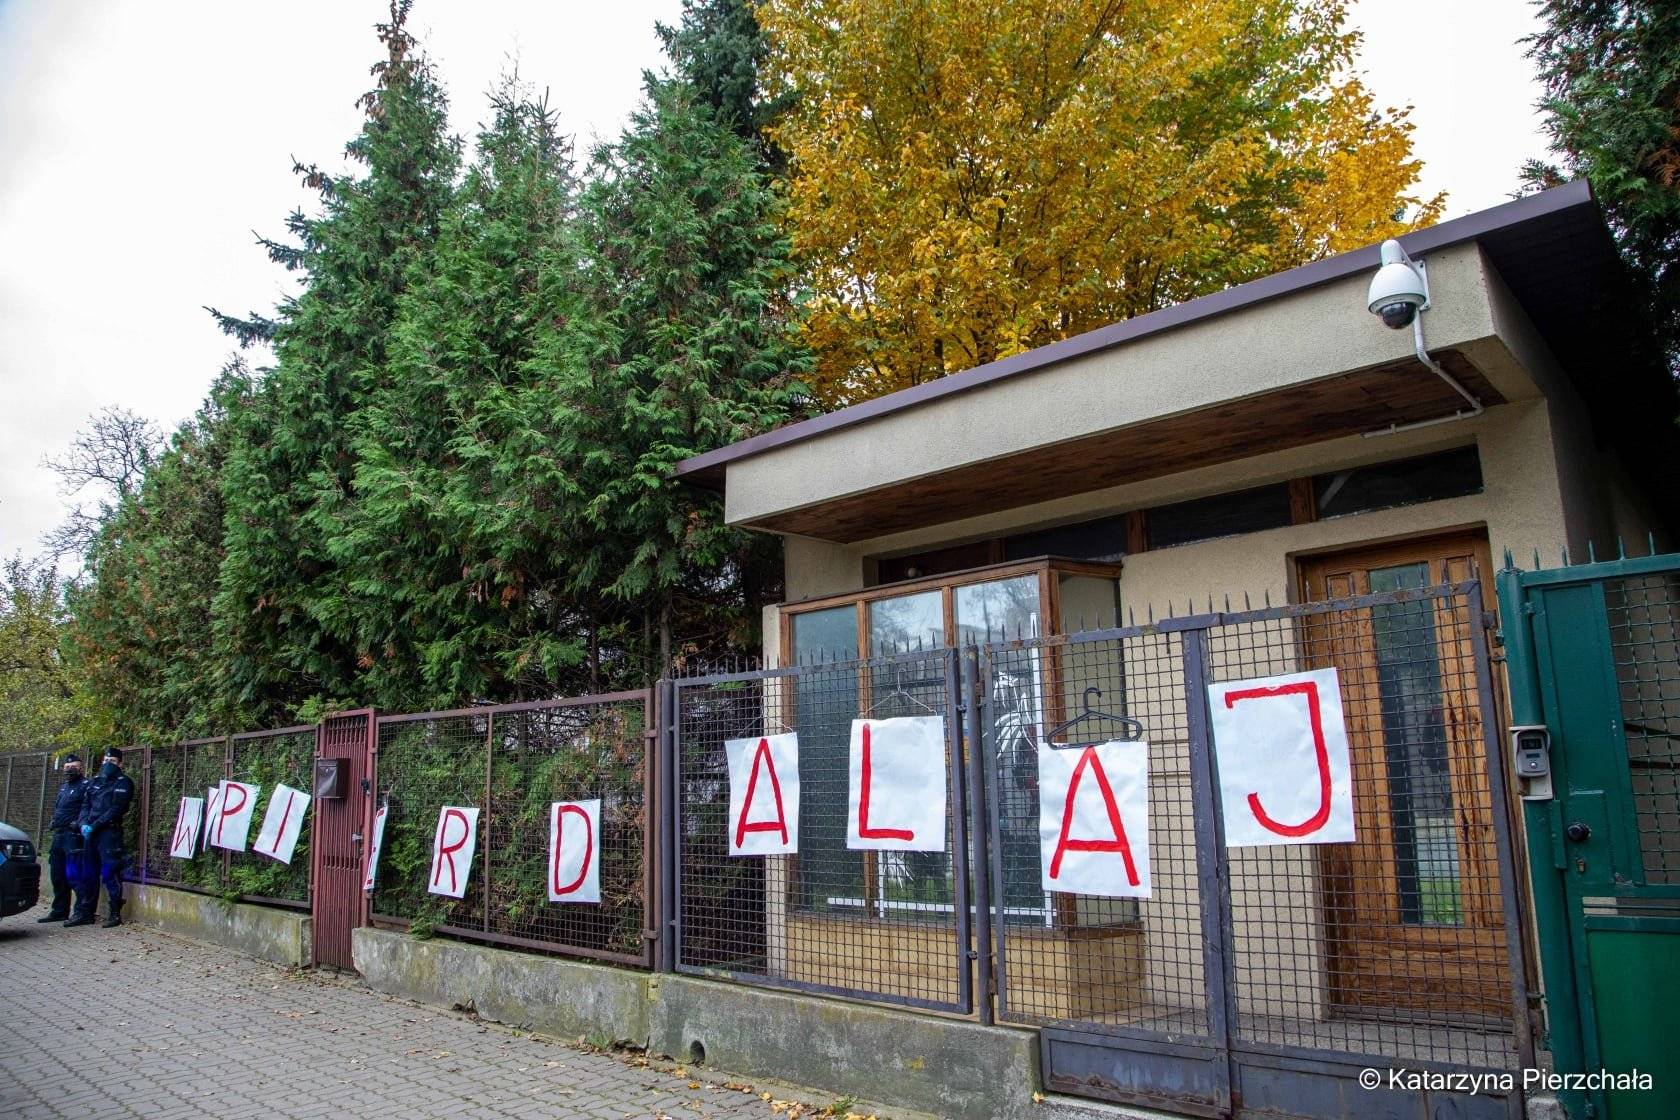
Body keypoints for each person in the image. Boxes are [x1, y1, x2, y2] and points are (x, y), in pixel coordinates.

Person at [65, 748, 135, 929]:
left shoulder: (123, 783)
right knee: (88, 873)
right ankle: (86, 912)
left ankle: (114, 913)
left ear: (120, 763)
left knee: (109, 873)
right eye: (105, 760)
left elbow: (116, 809)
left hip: (108, 833)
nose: (107, 764)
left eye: (111, 761)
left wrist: (95, 825)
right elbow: (86, 805)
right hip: (90, 834)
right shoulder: (95, 782)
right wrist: (83, 824)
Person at [36, 754, 90, 923]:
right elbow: (60, 808)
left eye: (73, 767)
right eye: (66, 767)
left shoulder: (86, 786)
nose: (69, 769)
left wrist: (79, 823)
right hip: (59, 835)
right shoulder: (64, 787)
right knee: (57, 875)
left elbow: (87, 808)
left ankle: (82, 913)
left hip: (73, 836)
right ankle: (59, 911)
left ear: (81, 768)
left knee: (74, 875)